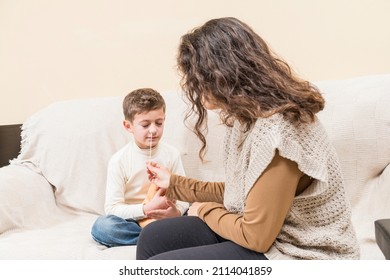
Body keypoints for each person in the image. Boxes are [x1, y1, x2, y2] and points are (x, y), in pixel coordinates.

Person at [136, 17, 360, 260]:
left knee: (162, 265)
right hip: (270, 237)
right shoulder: (247, 118)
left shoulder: (279, 134)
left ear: (221, 74)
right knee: (153, 237)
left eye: (196, 77)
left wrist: (200, 210)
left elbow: (256, 236)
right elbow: (242, 194)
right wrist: (175, 184)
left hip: (300, 253)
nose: (192, 86)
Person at [91, 88, 189, 247]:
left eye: (159, 123)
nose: (153, 130)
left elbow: (185, 195)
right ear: (128, 126)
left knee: (199, 216)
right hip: (134, 220)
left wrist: (176, 212)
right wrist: (146, 209)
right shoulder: (119, 160)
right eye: (145, 125)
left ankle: (157, 237)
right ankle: (156, 238)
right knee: (102, 226)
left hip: (166, 218)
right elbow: (113, 208)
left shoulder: (172, 154)